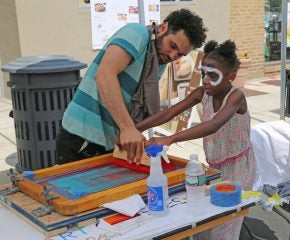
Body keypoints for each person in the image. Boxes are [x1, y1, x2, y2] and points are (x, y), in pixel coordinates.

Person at [136, 40, 256, 239]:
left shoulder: (236, 97)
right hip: (215, 168)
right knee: (205, 221)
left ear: (231, 76)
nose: (206, 80)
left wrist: (169, 139)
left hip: (239, 170)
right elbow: (169, 113)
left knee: (224, 227)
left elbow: (213, 125)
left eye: (213, 75)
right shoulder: (202, 93)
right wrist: (132, 129)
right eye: (203, 74)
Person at [56, 9, 207, 165]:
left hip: (110, 141)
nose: (172, 56)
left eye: (180, 54)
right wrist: (127, 128)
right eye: (172, 46)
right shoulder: (137, 33)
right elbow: (104, 75)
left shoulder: (157, 60)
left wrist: (136, 131)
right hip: (82, 136)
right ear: (163, 28)